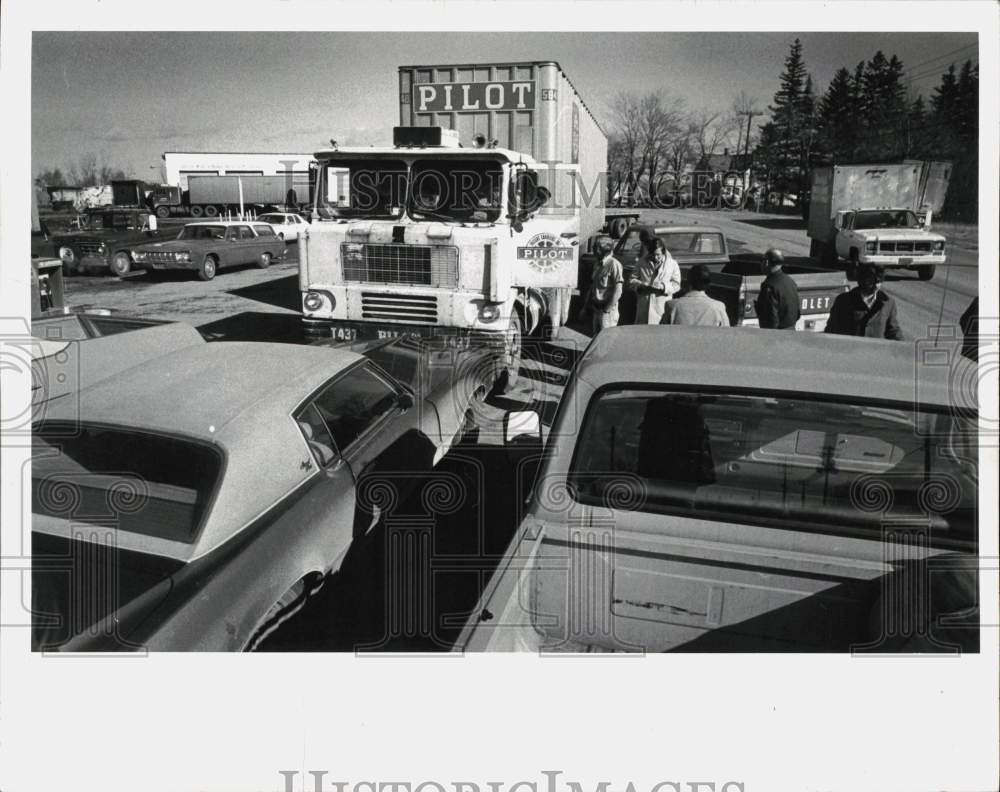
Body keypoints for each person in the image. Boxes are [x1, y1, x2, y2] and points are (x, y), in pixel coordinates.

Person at [824, 263, 903, 340]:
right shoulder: (843, 301)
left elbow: (893, 331)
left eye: (879, 282)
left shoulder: (888, 303)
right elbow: (831, 329)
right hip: (849, 350)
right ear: (862, 280)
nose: (876, 285)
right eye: (871, 281)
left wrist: (904, 347)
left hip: (876, 352)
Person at [629, 237, 681, 324]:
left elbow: (676, 285)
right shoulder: (641, 262)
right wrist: (640, 285)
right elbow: (631, 280)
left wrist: (663, 287)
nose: (655, 257)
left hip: (662, 307)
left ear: (663, 252)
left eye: (658, 255)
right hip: (644, 307)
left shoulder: (672, 264)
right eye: (653, 255)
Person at [662, 264, 731, 327]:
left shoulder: (672, 306)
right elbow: (727, 334)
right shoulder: (718, 307)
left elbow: (661, 334)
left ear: (688, 282)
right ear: (708, 284)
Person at [755, 247, 800, 329]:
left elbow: (770, 319)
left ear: (767, 262)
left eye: (762, 261)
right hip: (792, 331)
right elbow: (797, 313)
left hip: (777, 336)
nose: (761, 264)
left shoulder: (769, 286)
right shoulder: (790, 281)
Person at [587, 237, 624, 335]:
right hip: (597, 308)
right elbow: (593, 286)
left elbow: (618, 290)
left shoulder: (614, 264)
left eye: (596, 248)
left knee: (607, 340)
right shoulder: (597, 264)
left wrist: (607, 310)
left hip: (607, 311)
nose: (594, 250)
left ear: (604, 249)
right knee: (596, 339)